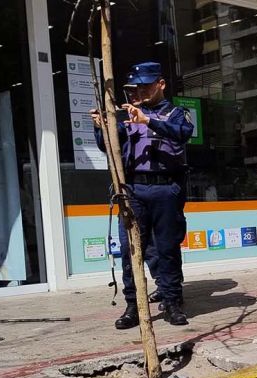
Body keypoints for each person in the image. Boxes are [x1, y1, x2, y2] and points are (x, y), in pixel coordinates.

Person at [91, 62, 192, 329]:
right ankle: (134, 305)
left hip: (166, 188)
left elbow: (183, 134)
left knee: (167, 248)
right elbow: (108, 146)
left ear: (161, 84)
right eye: (138, 86)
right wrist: (102, 127)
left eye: (147, 85)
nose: (142, 91)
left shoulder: (175, 113)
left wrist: (148, 120)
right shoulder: (127, 115)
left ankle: (172, 302)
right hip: (133, 190)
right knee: (131, 250)